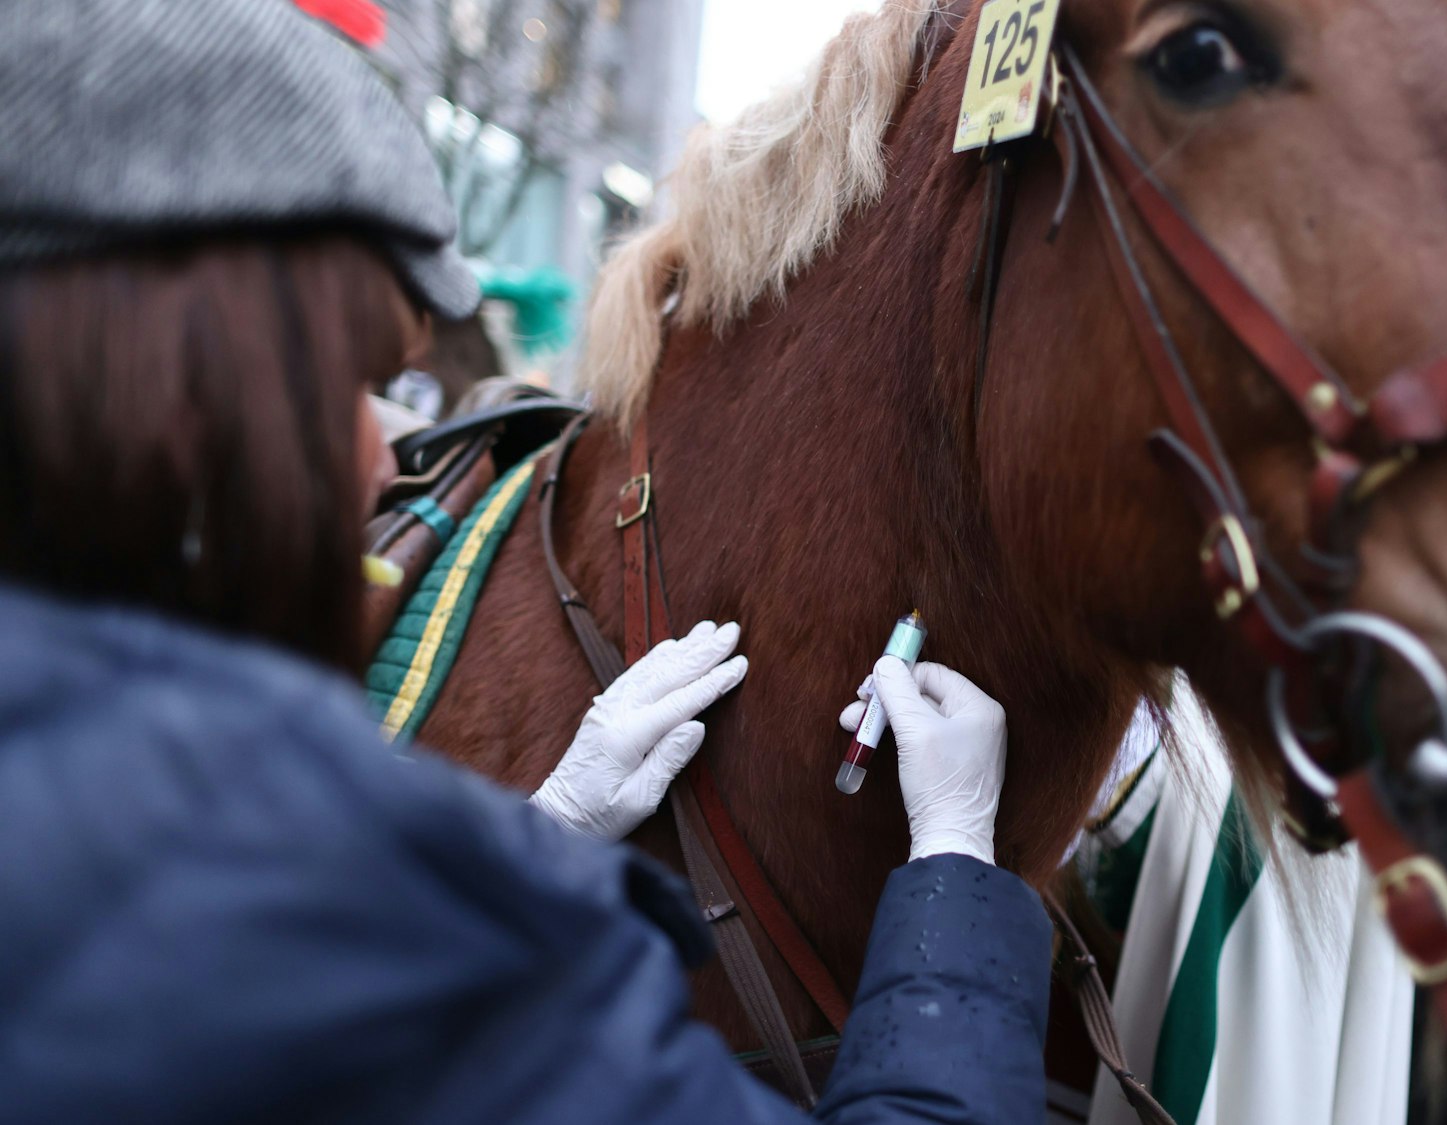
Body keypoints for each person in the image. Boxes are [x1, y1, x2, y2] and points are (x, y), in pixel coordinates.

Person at [0, 2, 1049, 1122]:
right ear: (188, 392)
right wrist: (952, 868)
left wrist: (538, 829)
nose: (380, 456)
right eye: (351, 382)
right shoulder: (289, 859)